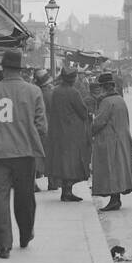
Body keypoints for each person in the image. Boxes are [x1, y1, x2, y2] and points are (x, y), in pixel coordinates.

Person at [0, 49, 47, 258]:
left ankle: (2, 245)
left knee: (0, 197)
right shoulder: (34, 91)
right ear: (21, 69)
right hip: (25, 152)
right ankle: (25, 233)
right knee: (25, 197)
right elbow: (42, 127)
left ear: (3, 69)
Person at [90, 73, 132, 210]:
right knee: (118, 170)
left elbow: (99, 122)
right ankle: (115, 198)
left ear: (104, 88)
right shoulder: (119, 99)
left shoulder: (106, 102)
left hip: (110, 140)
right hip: (122, 138)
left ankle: (114, 199)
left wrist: (89, 131)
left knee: (111, 170)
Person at [47, 65, 91, 202]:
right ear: (73, 78)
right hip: (71, 132)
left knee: (62, 161)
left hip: (57, 131)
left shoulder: (55, 91)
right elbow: (83, 112)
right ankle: (67, 191)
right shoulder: (73, 92)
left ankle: (66, 191)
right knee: (72, 162)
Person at [33, 68, 55, 191]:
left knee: (36, 155)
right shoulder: (51, 94)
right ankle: (52, 182)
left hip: (37, 127)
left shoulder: (35, 94)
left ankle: (34, 183)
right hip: (50, 127)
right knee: (50, 155)